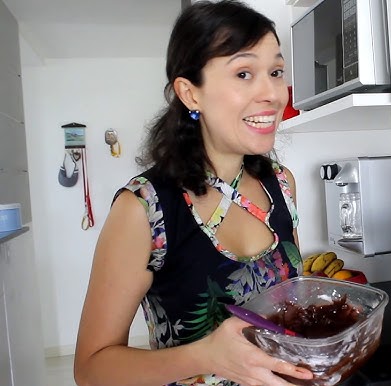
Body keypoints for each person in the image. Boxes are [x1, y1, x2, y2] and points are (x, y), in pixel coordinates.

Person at [73, 1, 314, 385]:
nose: (272, 92)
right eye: (244, 73)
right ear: (190, 93)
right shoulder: (144, 209)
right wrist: (204, 355)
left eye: (275, 71)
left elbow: (293, 303)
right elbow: (91, 370)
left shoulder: (282, 184)